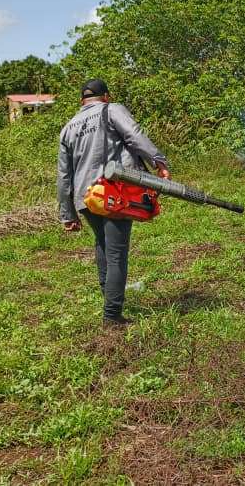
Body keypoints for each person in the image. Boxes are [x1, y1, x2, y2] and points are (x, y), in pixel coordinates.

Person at [57, 79, 170, 327]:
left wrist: (68, 214)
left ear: (82, 101)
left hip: (85, 198)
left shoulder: (68, 128)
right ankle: (112, 316)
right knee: (117, 253)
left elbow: (64, 176)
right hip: (112, 193)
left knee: (103, 247)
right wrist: (158, 161)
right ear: (106, 96)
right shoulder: (112, 110)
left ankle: (110, 304)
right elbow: (134, 135)